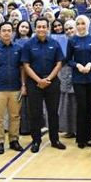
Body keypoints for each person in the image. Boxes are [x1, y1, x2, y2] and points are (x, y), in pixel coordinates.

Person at [21, 18, 66, 152]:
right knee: (35, 113)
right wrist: (39, 81)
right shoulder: (28, 45)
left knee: (53, 112)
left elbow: (59, 63)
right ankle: (36, 140)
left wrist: (48, 79)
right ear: (35, 28)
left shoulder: (54, 43)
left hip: (52, 82)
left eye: (44, 27)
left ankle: (55, 139)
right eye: (39, 27)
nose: (41, 29)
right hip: (34, 83)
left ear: (48, 28)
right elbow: (26, 65)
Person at [0, 21, 26, 154]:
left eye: (9, 30)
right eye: (4, 30)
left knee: (15, 116)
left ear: (12, 32)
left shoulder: (18, 48)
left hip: (15, 88)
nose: (7, 33)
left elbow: (22, 68)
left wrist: (23, 85)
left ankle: (14, 140)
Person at [67, 15, 91, 149]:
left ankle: (88, 138)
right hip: (78, 79)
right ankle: (80, 138)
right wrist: (77, 65)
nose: (80, 26)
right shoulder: (72, 40)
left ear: (87, 24)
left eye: (83, 23)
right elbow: (68, 59)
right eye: (78, 23)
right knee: (81, 107)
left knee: (89, 108)